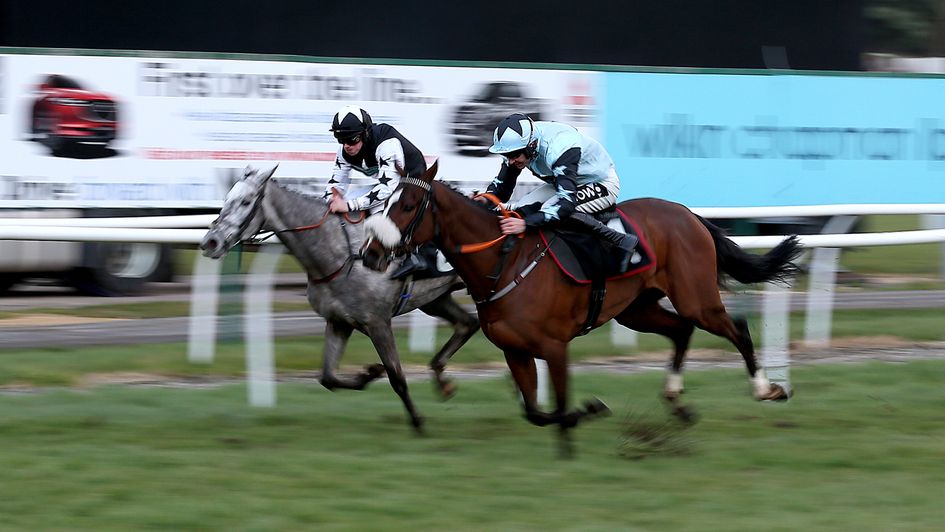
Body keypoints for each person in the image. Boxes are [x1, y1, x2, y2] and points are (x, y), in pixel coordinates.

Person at [483, 113, 639, 270]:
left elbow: (565, 205)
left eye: (514, 155)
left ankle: (621, 240)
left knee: (550, 209)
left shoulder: (559, 146)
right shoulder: (520, 145)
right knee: (520, 207)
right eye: (506, 155)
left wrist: (525, 224)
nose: (510, 161)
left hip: (602, 182)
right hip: (566, 182)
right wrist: (483, 199)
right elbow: (502, 191)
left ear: (531, 145)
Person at [324, 105, 443, 280]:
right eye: (340, 139)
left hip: (412, 177)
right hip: (391, 180)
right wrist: (330, 200)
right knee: (348, 201)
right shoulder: (344, 151)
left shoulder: (386, 145)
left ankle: (416, 256)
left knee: (385, 210)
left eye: (352, 139)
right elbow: (336, 183)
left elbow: (386, 189)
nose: (346, 145)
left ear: (365, 133)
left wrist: (348, 205)